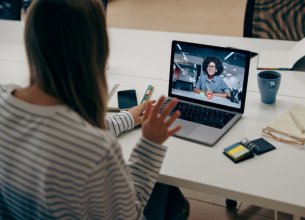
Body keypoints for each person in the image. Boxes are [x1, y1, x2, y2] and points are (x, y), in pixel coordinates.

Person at [0, 0, 189, 219]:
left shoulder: (5, 95)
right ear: (97, 52)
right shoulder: (96, 152)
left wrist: (127, 118)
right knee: (164, 186)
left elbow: (56, 131)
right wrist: (149, 146)